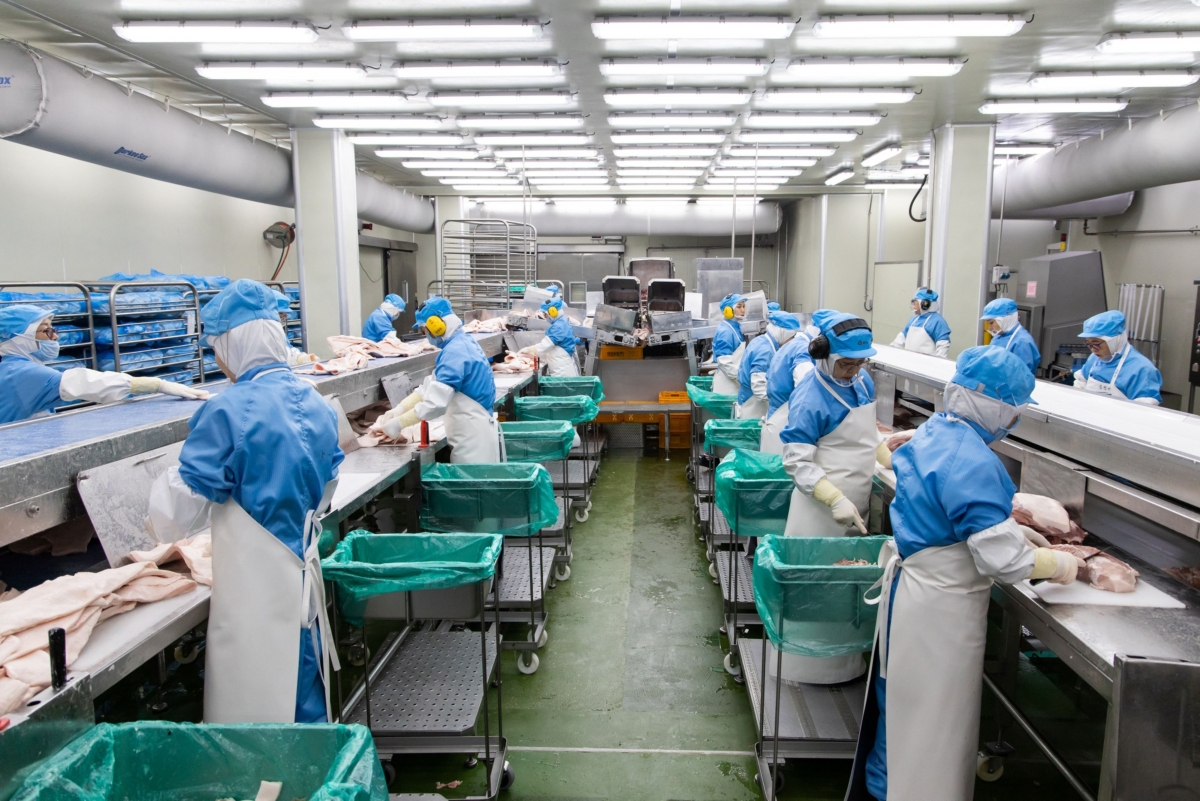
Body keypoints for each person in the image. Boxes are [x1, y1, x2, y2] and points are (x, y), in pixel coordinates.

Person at [849, 347, 1084, 801]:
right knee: (934, 722)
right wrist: (1056, 562)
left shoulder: (932, 432)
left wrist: (1008, 532)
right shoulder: (974, 461)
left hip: (909, 598)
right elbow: (1004, 563)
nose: (1012, 420)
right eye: (1012, 410)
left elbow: (946, 511)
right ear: (995, 406)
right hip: (941, 613)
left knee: (899, 709)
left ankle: (885, 789)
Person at [146, 279, 344, 725]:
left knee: (256, 704)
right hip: (299, 572)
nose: (218, 360)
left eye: (217, 348)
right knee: (301, 682)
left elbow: (175, 514)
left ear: (233, 346)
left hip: (255, 590)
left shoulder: (228, 411)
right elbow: (328, 485)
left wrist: (162, 483)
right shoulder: (315, 401)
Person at [0, 304, 209, 424]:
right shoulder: (19, 374)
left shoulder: (13, 366)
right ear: (17, 337)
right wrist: (156, 385)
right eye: (46, 329)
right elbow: (86, 383)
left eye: (53, 329)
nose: (54, 337)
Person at [780, 312, 883, 539]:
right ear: (823, 355)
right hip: (820, 508)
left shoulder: (862, 381)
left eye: (859, 363)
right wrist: (834, 499)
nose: (853, 371)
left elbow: (866, 430)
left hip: (858, 499)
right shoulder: (809, 397)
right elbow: (796, 461)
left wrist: (885, 454)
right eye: (845, 364)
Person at [372, 296, 500, 462]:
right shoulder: (459, 344)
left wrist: (399, 424)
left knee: (472, 484)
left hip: (472, 440)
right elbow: (430, 387)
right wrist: (400, 409)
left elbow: (436, 403)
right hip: (472, 432)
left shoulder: (455, 352)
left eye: (426, 330)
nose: (427, 336)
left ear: (437, 326)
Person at [760, 310, 829, 454]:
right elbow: (807, 390)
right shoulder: (803, 349)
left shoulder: (792, 345)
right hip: (784, 425)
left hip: (775, 420)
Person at [1073, 310, 1162, 404]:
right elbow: (1081, 382)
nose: (1093, 349)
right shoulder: (1094, 359)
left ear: (1116, 340)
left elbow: (1144, 410)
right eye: (1088, 343)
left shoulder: (1142, 369)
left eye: (1096, 343)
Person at [736, 309, 801, 421]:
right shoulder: (765, 350)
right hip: (753, 409)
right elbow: (759, 387)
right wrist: (779, 402)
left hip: (749, 403)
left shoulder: (762, 341)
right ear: (783, 332)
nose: (792, 341)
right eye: (792, 337)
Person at [520, 296, 580, 377]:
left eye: (545, 314)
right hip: (561, 368)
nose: (545, 317)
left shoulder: (559, 326)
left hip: (562, 372)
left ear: (553, 312)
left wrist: (528, 349)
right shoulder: (561, 322)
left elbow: (544, 346)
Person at [980, 297, 1040, 374]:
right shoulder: (999, 335)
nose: (989, 328)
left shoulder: (1022, 342)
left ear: (1006, 319)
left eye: (991, 323)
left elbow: (1022, 377)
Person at [889, 288, 951, 357]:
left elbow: (942, 348)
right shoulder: (913, 320)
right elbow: (899, 341)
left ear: (925, 304)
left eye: (915, 303)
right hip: (908, 362)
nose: (914, 306)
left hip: (926, 365)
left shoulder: (938, 321)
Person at [710, 293, 746, 395]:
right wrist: (743, 379)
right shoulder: (726, 331)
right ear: (728, 311)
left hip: (733, 382)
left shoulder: (735, 327)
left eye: (744, 306)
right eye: (739, 307)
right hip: (727, 387)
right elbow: (725, 363)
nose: (743, 310)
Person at [271, 290, 319, 366]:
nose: (284, 317)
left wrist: (301, 358)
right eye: (280, 313)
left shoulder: (278, 330)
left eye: (285, 313)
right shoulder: (262, 333)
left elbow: (288, 350)